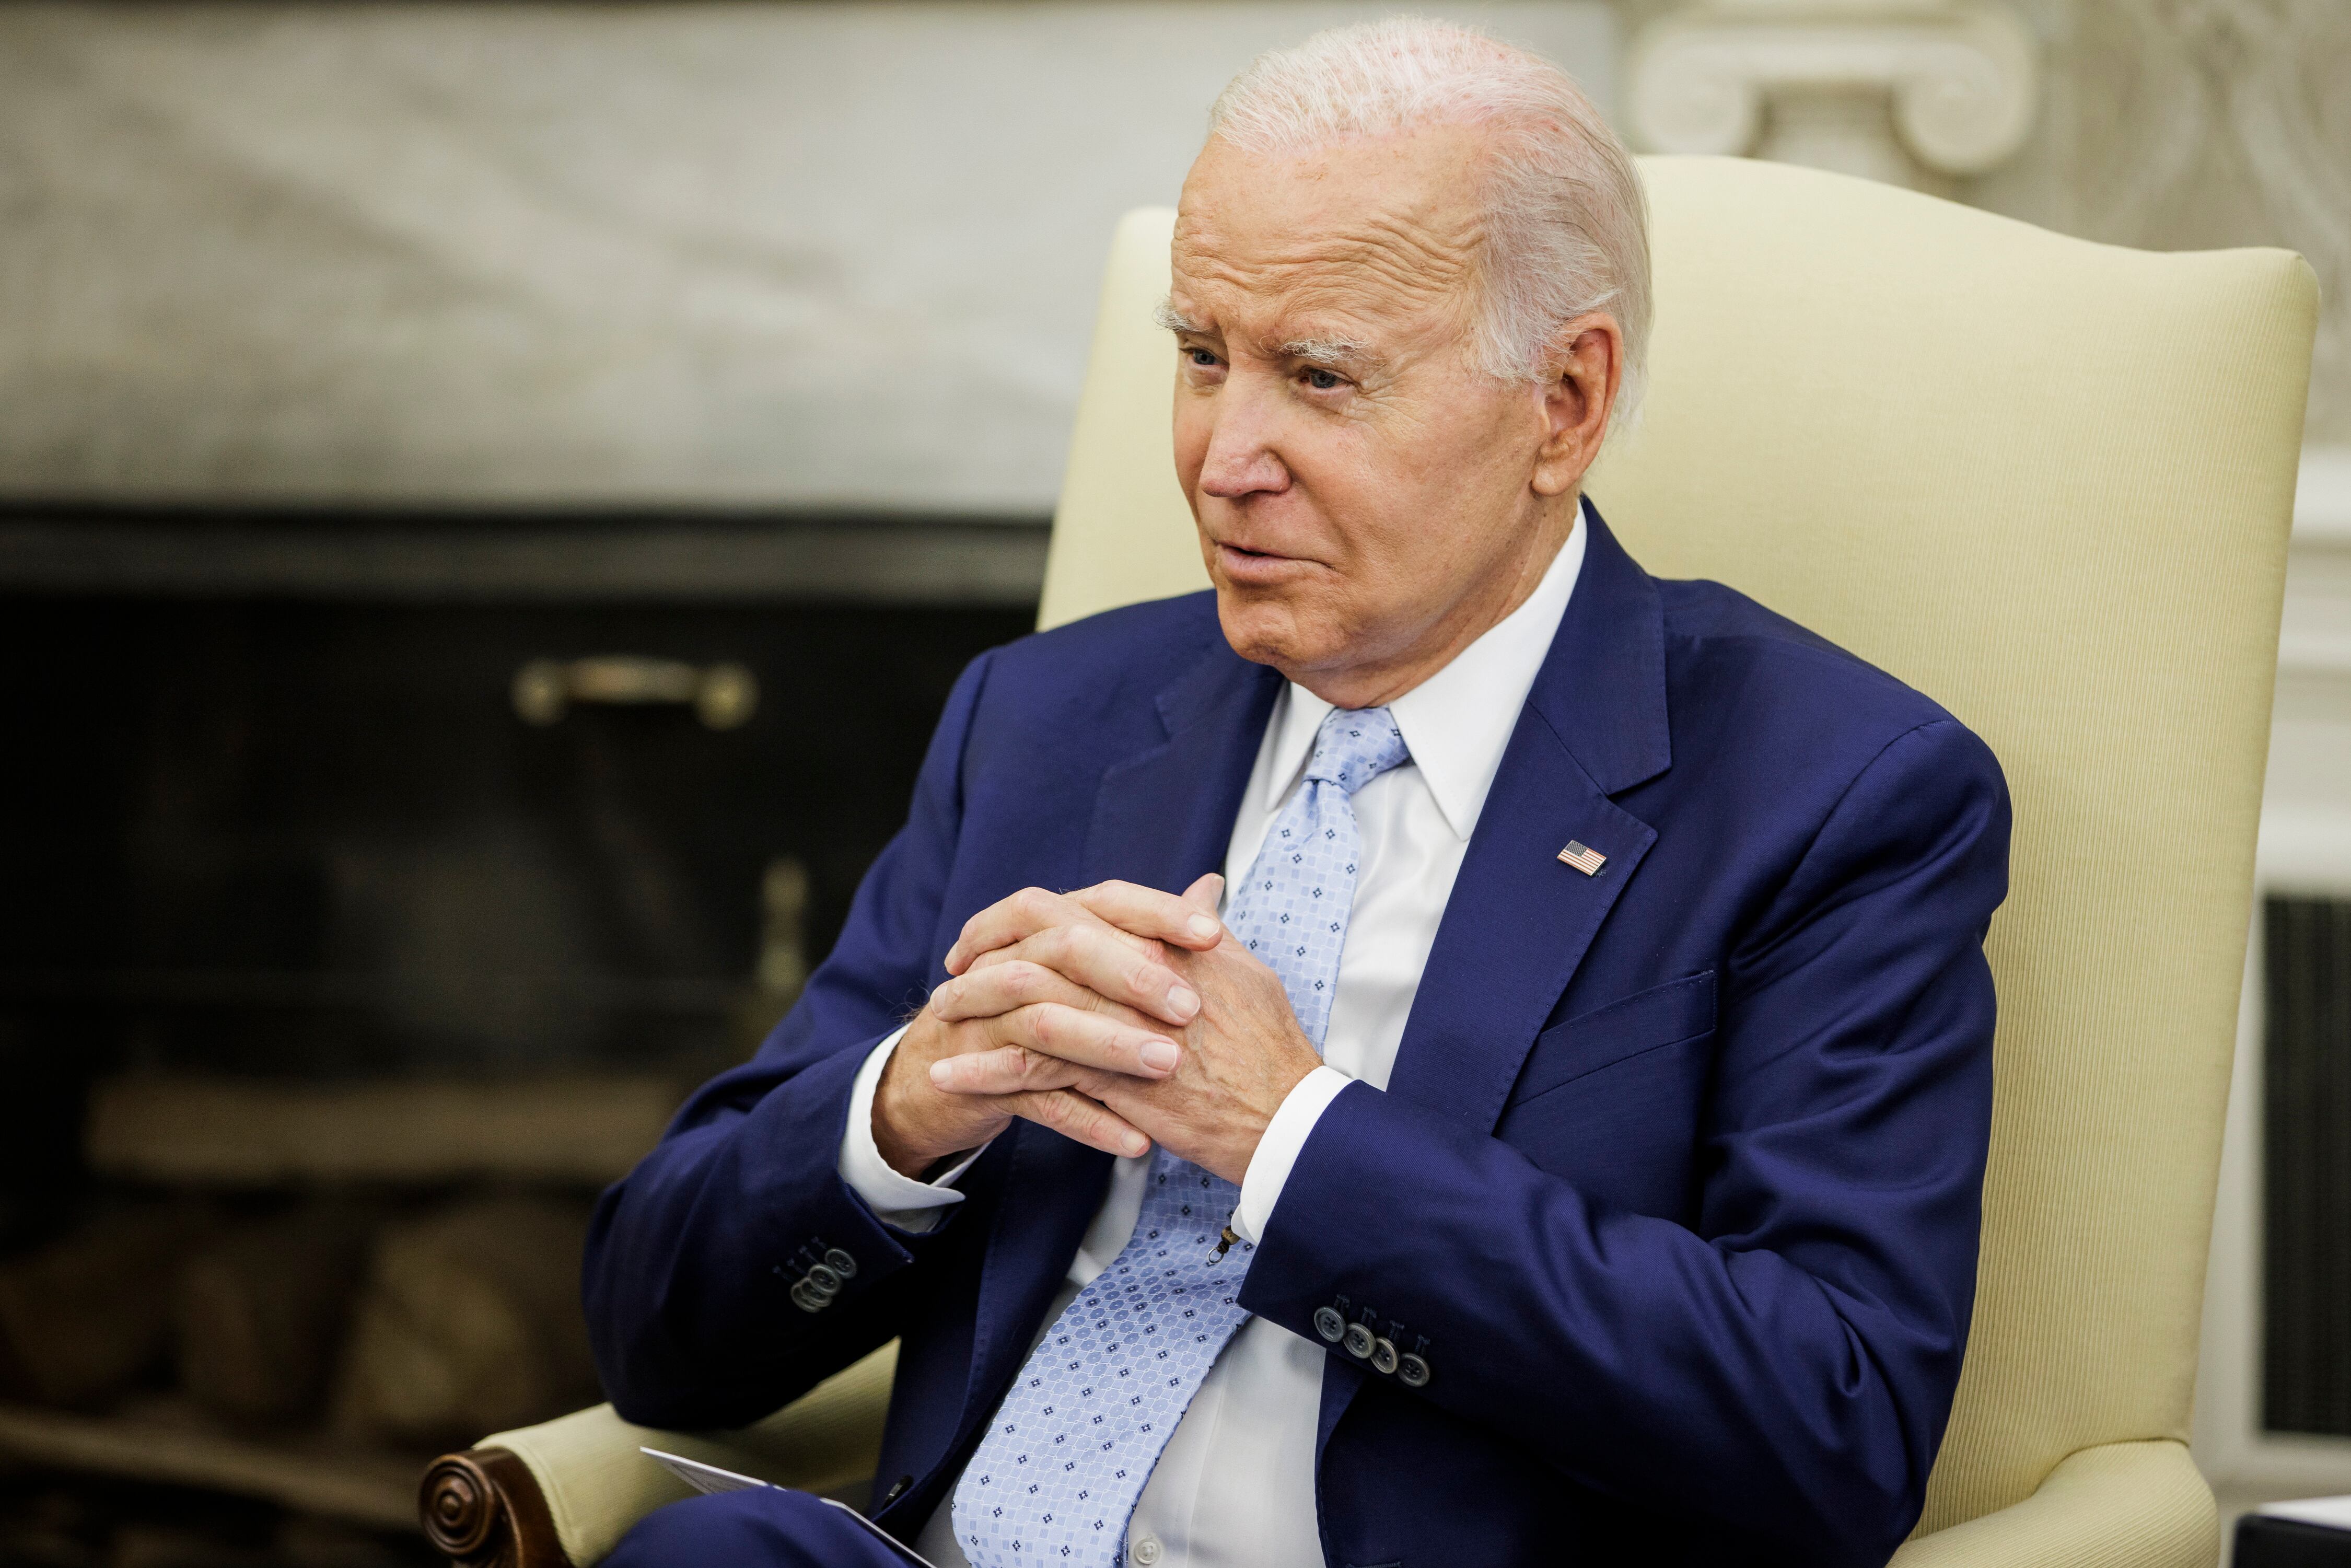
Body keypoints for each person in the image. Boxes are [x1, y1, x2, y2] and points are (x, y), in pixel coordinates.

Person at [584, 18, 2010, 1567]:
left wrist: (1290, 1137)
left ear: (1563, 403)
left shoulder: (1834, 793)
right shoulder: (1047, 717)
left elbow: (1833, 1427)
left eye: (1320, 376)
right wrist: (909, 1107)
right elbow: (660, 1339)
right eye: (1200, 356)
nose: (1219, 457)